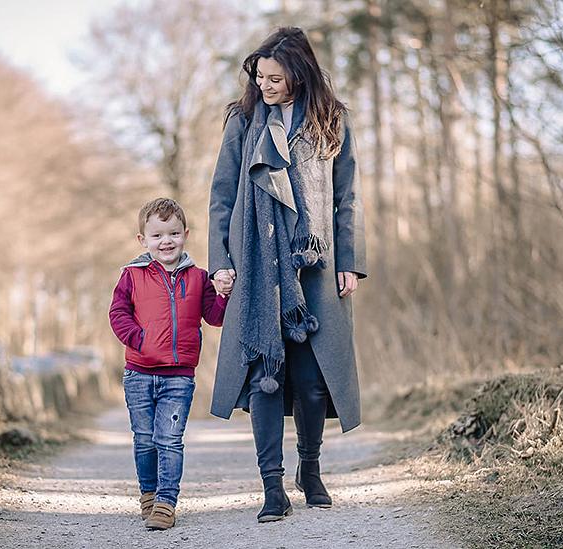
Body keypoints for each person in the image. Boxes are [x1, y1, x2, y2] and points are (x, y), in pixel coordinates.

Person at [207, 27, 366, 523]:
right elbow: (222, 196)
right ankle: (271, 486)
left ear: (298, 74)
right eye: (260, 76)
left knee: (314, 378)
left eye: (275, 77)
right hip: (255, 263)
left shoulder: (331, 120)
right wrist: (221, 261)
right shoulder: (243, 118)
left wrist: (351, 263)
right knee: (265, 376)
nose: (266, 84)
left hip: (314, 266)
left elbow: (348, 198)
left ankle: (310, 469)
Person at [109, 197, 229, 530]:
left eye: (174, 233)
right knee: (144, 438)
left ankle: (166, 502)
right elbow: (117, 313)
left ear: (185, 234)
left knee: (170, 439)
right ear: (142, 240)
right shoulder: (131, 275)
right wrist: (138, 338)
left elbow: (215, 318)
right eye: (158, 235)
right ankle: (148, 494)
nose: (166, 241)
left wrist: (222, 294)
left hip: (179, 375)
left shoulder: (198, 277)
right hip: (138, 373)